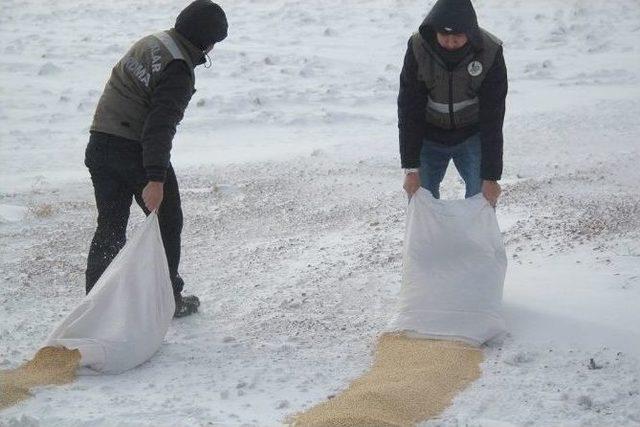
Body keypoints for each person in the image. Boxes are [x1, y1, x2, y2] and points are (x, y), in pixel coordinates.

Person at [84, 0, 228, 317]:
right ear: (206, 41)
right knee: (168, 220)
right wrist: (155, 178)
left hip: (100, 143)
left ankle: (94, 310)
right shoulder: (178, 67)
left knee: (109, 229)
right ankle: (166, 300)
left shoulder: (153, 42)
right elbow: (159, 127)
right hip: (133, 150)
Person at [398, 0, 507, 206]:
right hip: (429, 135)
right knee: (420, 197)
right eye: (444, 35)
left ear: (470, 31)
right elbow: (409, 109)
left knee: (482, 197)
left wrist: (491, 177)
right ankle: (427, 238)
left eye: (457, 35)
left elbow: (493, 116)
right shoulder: (418, 47)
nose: (450, 41)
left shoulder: (490, 51)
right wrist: (411, 168)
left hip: (471, 134)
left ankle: (477, 238)